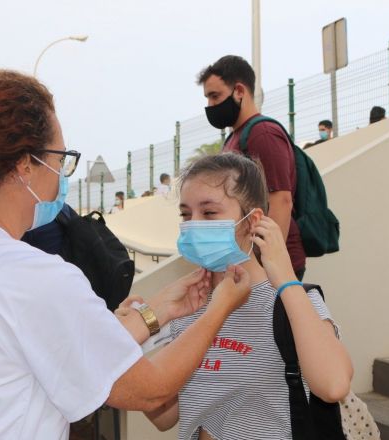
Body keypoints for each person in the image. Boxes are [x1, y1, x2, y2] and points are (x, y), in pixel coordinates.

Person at [0, 69, 252, 440]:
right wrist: (220, 307)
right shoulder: (25, 274)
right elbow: (150, 393)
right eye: (60, 160)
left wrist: (155, 313)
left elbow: (46, 344)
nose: (62, 176)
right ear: (25, 165)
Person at [137, 153, 352, 440]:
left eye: (209, 213)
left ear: (252, 221)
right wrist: (133, 332)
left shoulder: (288, 303)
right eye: (186, 214)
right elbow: (164, 415)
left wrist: (286, 279)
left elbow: (334, 385)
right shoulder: (186, 308)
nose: (193, 224)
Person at [197, 55, 306, 280]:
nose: (210, 105)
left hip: (268, 266)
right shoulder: (234, 138)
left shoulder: (263, 133)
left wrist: (266, 263)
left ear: (239, 91)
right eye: (207, 97)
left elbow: (281, 200)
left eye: (215, 96)